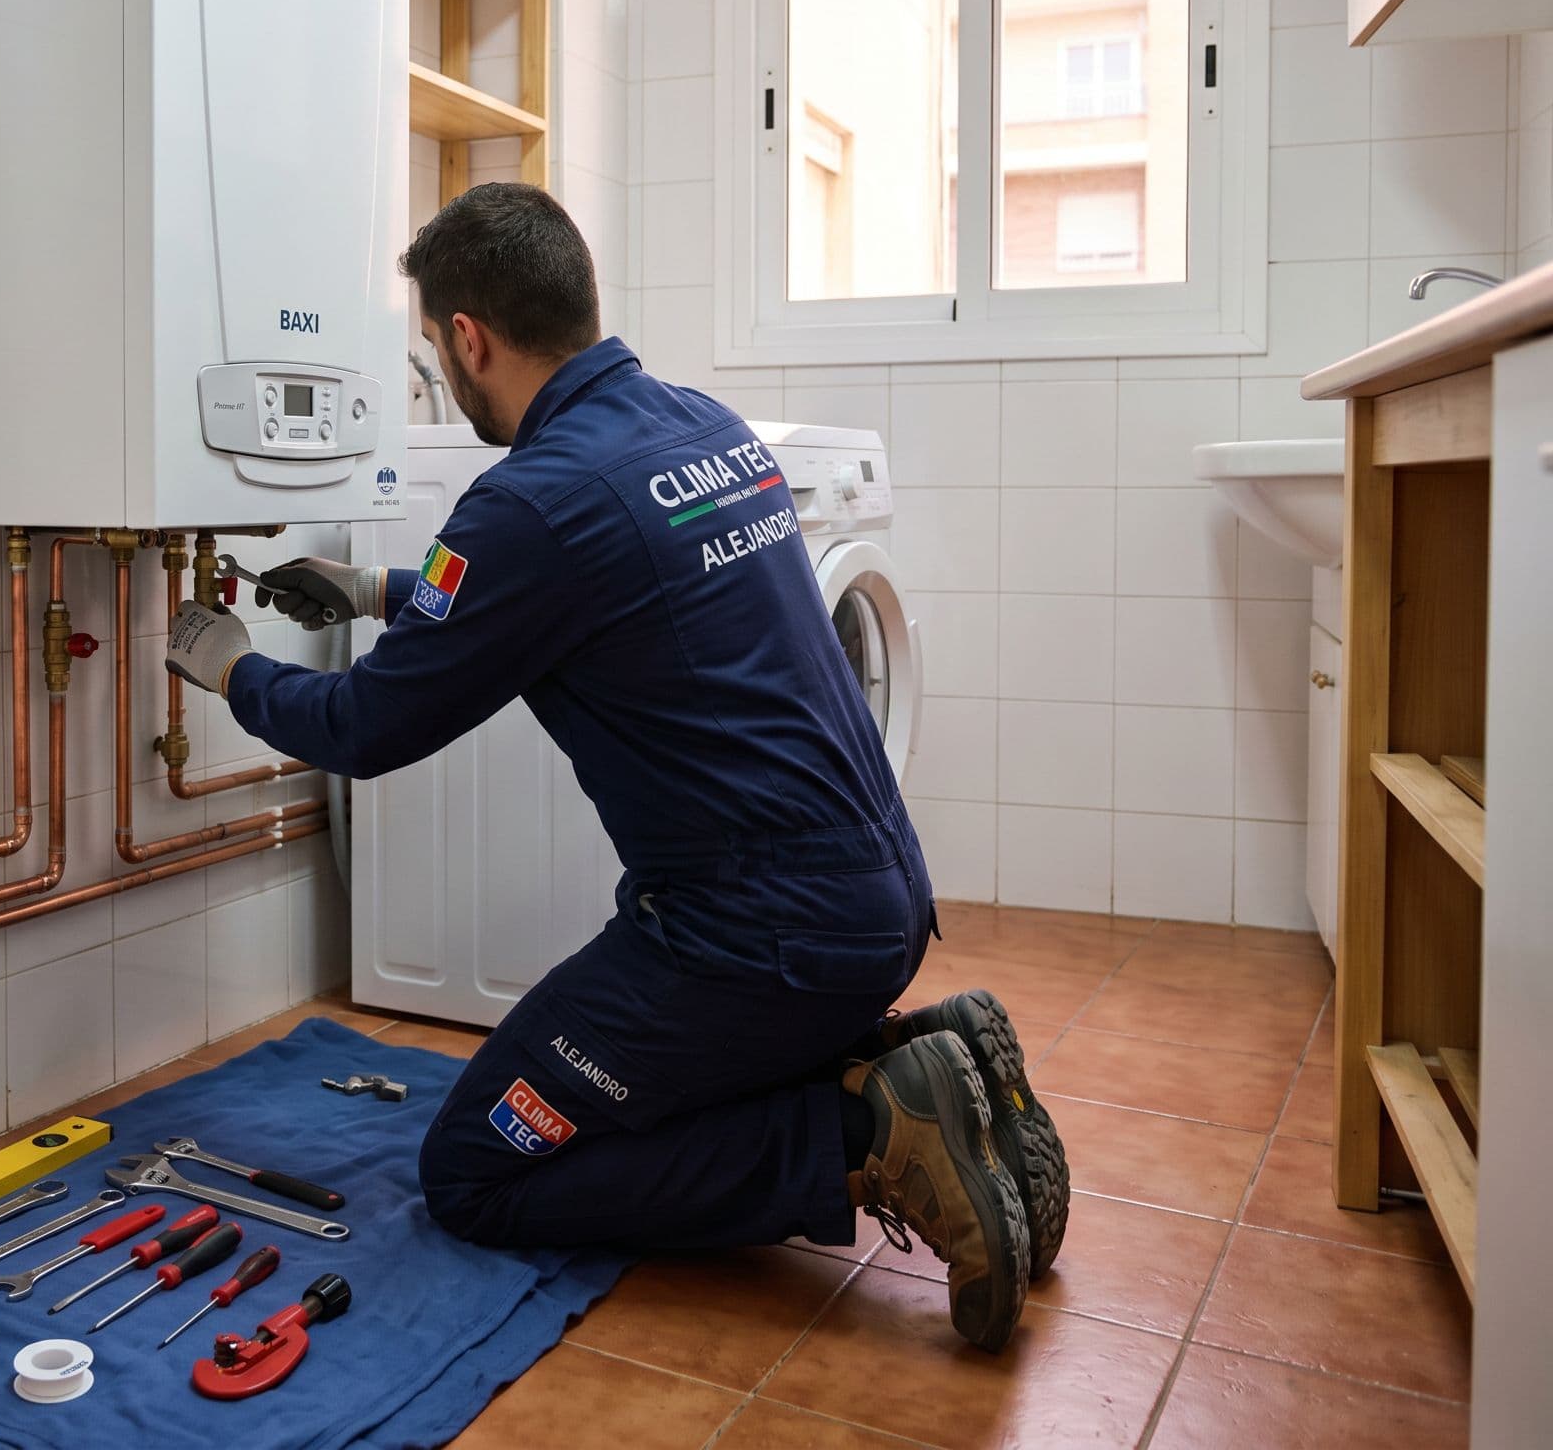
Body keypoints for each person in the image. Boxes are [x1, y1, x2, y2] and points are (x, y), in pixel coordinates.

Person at [163, 183, 1069, 1353]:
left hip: (753, 941)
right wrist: (379, 590)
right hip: (876, 903)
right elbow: (572, 589)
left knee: (478, 1165)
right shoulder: (702, 426)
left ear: (469, 338)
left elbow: (365, 729)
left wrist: (230, 666)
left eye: (439, 350)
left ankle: (870, 1135)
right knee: (633, 1087)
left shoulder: (530, 503)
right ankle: (910, 1059)